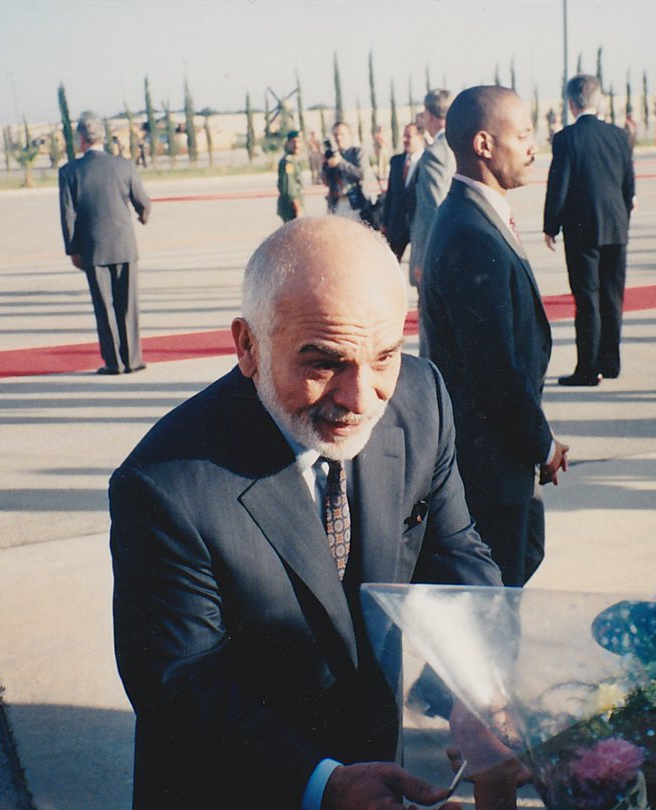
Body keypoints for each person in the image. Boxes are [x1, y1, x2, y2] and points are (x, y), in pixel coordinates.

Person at [110, 216, 504, 809]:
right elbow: (184, 685)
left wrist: (483, 689)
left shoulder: (421, 400)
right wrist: (323, 783)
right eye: (323, 364)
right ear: (248, 345)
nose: (361, 397)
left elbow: (458, 555)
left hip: (377, 768)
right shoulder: (166, 487)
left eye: (385, 355)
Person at [420, 85, 570, 587]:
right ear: (484, 144)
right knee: (493, 605)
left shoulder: (475, 214)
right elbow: (495, 370)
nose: (533, 147)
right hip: (487, 464)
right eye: (523, 135)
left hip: (501, 453)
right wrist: (541, 444)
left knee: (517, 568)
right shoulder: (469, 232)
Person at [543, 74, 636, 387]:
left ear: (571, 104)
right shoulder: (620, 136)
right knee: (612, 296)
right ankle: (610, 363)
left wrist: (550, 225)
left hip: (582, 230)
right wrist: (622, 218)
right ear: (598, 100)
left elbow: (559, 184)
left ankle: (588, 368)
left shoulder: (566, 138)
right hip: (616, 226)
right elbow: (628, 185)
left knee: (587, 299)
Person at [58, 112, 151, 376]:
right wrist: (142, 217)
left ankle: (114, 362)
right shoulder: (124, 165)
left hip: (93, 248)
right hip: (124, 245)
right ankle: (133, 359)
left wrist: (73, 250)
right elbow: (143, 201)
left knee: (105, 306)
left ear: (82, 139)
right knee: (128, 305)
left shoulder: (70, 171)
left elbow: (68, 215)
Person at [409, 89, 454, 288]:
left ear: (429, 113)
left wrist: (424, 261)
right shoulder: (458, 143)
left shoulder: (435, 153)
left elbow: (433, 209)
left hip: (436, 255)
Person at [381, 122, 425, 262]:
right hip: (397, 226)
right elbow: (390, 195)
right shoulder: (396, 161)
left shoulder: (428, 163)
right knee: (390, 264)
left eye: (409, 136)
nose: (405, 140)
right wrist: (385, 222)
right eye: (404, 136)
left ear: (420, 138)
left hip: (417, 226)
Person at [321, 121, 377, 223]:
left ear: (350, 135)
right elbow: (326, 182)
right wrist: (325, 166)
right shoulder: (332, 155)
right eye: (336, 135)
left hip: (356, 204)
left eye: (342, 134)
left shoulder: (357, 152)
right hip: (337, 203)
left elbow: (361, 174)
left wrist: (341, 163)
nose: (338, 138)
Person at [275, 130, 304, 223]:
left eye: (299, 142)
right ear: (287, 144)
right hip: (291, 208)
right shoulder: (288, 162)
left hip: (294, 207)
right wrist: (298, 208)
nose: (296, 145)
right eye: (293, 142)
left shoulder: (294, 161)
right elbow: (289, 188)